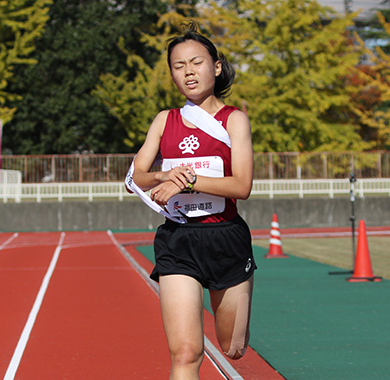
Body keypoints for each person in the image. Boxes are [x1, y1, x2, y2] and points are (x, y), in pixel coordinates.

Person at [128, 24, 255, 379]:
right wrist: (162, 177)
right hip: (178, 240)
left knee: (233, 347)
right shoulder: (164, 120)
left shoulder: (235, 121)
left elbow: (242, 185)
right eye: (178, 66)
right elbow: (137, 176)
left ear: (215, 66)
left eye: (196, 62)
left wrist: (189, 179)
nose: (188, 72)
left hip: (226, 238)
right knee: (185, 353)